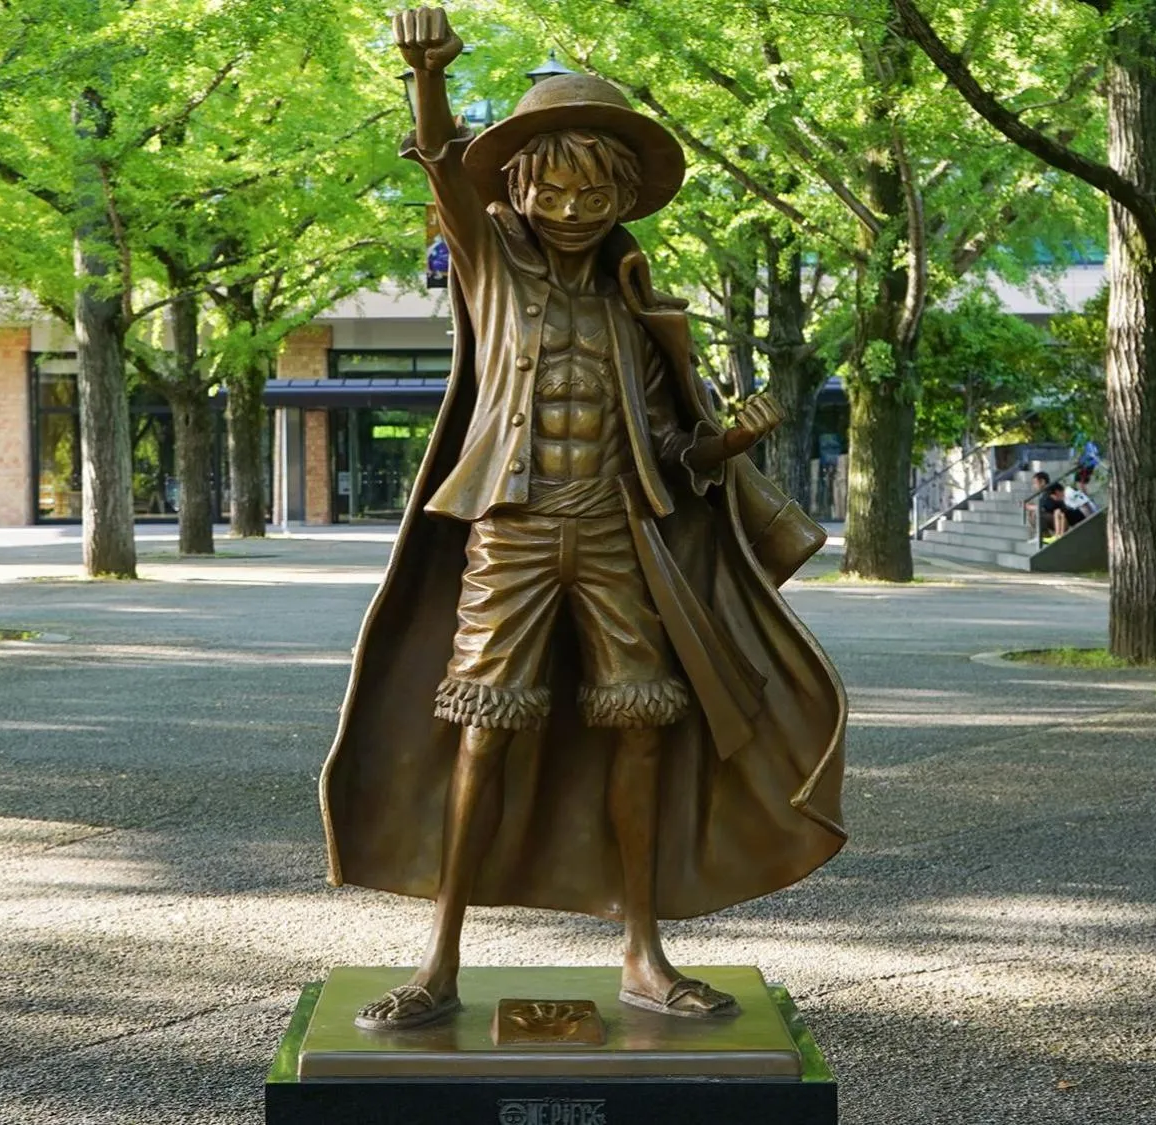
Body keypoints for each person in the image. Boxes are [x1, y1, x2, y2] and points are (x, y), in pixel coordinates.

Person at [319, 6, 846, 1032]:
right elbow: (439, 161)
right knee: (481, 734)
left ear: (622, 197)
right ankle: (439, 960)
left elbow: (671, 451)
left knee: (643, 729)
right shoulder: (488, 264)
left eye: (595, 190)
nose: (571, 206)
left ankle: (644, 951)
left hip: (617, 535)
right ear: (516, 184)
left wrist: (728, 443)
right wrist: (427, 75)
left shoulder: (638, 308)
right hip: (509, 530)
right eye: (552, 186)